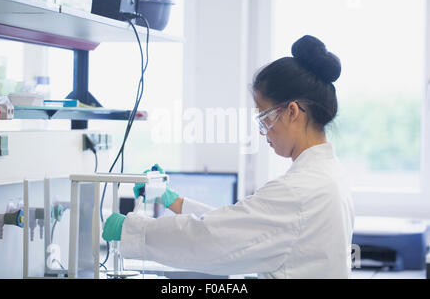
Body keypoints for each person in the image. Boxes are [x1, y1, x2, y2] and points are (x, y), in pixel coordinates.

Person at [102, 35, 355, 278]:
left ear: (291, 112)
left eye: (264, 117)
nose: (262, 130)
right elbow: (241, 227)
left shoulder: (298, 191)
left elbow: (212, 239)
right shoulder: (329, 176)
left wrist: (131, 229)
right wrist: (174, 201)